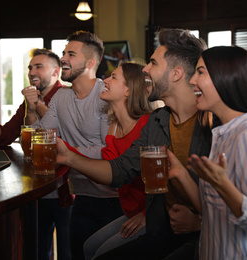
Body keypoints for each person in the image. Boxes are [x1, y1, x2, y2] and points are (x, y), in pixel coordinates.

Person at [55, 28, 214, 259]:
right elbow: (120, 170)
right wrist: (69, 158)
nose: (146, 70)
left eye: (153, 63)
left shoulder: (211, 124)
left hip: (203, 237)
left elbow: (237, 204)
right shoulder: (157, 121)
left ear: (176, 73)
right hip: (162, 228)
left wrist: (200, 222)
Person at [169, 46, 247, 259]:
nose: (192, 80)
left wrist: (223, 185)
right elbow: (217, 212)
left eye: (200, 72)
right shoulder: (223, 135)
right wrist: (181, 174)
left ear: (226, 77)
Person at [24, 31, 123, 260]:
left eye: (71, 54)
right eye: (63, 53)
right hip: (82, 194)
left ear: (90, 63)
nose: (63, 58)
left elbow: (105, 150)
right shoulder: (61, 97)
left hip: (113, 199)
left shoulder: (104, 94)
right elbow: (41, 137)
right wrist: (32, 108)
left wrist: (65, 151)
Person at [0, 48, 73, 260]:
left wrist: (36, 106)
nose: (32, 71)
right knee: (36, 250)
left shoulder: (68, 96)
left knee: (68, 252)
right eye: (30, 67)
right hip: (36, 190)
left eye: (39, 67)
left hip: (66, 190)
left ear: (55, 72)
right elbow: (3, 137)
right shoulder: (29, 101)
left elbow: (66, 134)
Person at [83, 61, 153, 260]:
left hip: (152, 211)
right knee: (89, 247)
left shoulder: (148, 124)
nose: (105, 80)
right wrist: (63, 151)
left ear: (129, 90)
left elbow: (165, 176)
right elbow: (110, 173)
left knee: (101, 254)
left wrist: (148, 214)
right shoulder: (113, 126)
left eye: (113, 77)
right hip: (131, 211)